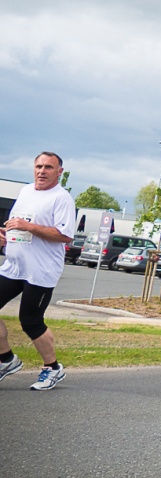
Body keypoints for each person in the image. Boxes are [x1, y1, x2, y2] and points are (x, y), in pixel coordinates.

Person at [0, 152, 77, 391]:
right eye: (39, 166)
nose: (42, 171)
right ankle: (6, 360)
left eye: (48, 167)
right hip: (14, 266)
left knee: (30, 321)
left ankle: (52, 368)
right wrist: (5, 236)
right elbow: (16, 224)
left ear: (59, 172)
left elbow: (64, 235)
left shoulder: (62, 198)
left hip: (40, 271)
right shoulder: (25, 191)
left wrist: (28, 227)